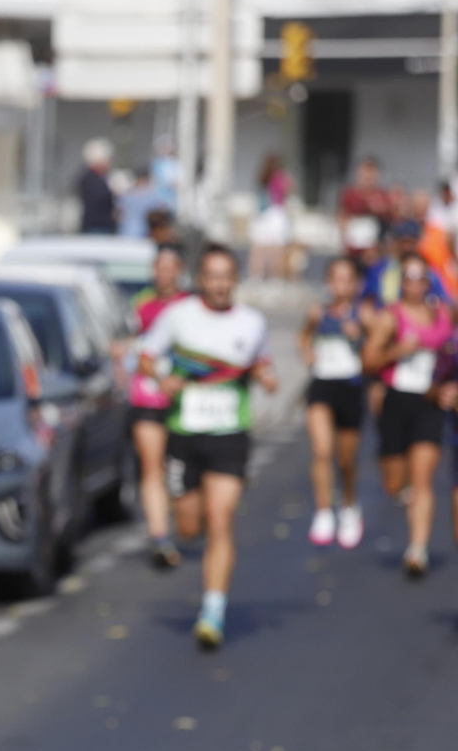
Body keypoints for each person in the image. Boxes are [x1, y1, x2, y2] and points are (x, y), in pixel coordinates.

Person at [140, 245, 277, 649]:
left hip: (229, 434)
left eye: (226, 276)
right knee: (189, 525)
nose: (219, 284)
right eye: (212, 276)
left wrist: (267, 378)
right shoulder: (177, 317)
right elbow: (146, 356)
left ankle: (212, 611)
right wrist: (164, 377)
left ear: (235, 280)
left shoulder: (252, 323)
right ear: (201, 279)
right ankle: (188, 537)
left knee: (221, 520)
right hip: (184, 432)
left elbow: (261, 362)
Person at [362, 255, 453, 577]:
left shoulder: (444, 315)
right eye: (409, 278)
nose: (414, 284)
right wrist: (396, 352)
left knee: (423, 476)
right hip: (397, 400)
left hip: (430, 401)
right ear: (402, 283)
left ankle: (417, 550)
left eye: (420, 278)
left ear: (429, 283)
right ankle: (405, 495)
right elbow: (368, 361)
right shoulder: (390, 318)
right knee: (395, 482)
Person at [299, 258, 370, 549]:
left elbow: (377, 349)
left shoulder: (363, 313)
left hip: (350, 386)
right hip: (322, 384)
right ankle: (324, 509)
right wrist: (308, 354)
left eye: (347, 279)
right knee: (321, 449)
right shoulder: (318, 312)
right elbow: (303, 337)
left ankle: (349, 505)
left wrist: (360, 338)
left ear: (355, 284)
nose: (340, 286)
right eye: (335, 279)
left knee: (346, 459)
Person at [129, 244, 190, 567]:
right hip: (148, 395)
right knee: (152, 465)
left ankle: (185, 516)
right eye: (159, 267)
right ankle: (160, 537)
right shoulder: (140, 305)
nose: (165, 273)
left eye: (171, 267)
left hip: (185, 399)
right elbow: (131, 346)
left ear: (180, 270)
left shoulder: (191, 305)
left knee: (179, 465)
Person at [249, 154, 293, 283]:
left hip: (262, 214)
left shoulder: (263, 176)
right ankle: (275, 276)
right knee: (276, 249)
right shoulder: (280, 177)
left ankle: (256, 276)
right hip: (276, 214)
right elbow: (288, 190)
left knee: (260, 248)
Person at [339, 157, 391, 264]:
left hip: (374, 249)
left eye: (371, 173)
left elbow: (387, 216)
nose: (368, 177)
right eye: (365, 173)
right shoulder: (350, 194)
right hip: (353, 246)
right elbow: (343, 217)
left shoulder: (382, 195)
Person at [78, 138, 117, 235]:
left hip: (99, 225)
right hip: (97, 226)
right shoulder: (90, 178)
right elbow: (101, 198)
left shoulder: (99, 177)